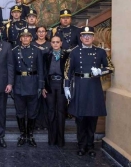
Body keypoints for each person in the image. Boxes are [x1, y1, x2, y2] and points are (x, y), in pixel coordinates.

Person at [64, 26, 114, 157]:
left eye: (89, 36)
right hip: (80, 85)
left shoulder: (100, 52)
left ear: (93, 38)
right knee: (80, 118)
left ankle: (90, 146)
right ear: (80, 38)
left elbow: (111, 67)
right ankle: (81, 145)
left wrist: (101, 71)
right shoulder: (74, 52)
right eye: (84, 36)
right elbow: (67, 70)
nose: (87, 38)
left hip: (93, 86)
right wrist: (67, 86)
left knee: (92, 118)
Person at [12, 29, 44, 147]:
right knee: (20, 112)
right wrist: (11, 84)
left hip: (32, 83)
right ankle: (22, 134)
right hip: (19, 84)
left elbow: (41, 69)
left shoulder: (36, 51)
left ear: (31, 38)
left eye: (28, 37)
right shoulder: (14, 51)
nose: (25, 39)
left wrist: (41, 85)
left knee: (32, 113)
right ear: (20, 38)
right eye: (23, 37)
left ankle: (30, 135)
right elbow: (11, 69)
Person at [42, 36, 69, 147]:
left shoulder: (67, 56)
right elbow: (43, 71)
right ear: (50, 44)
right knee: (51, 112)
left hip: (62, 85)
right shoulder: (46, 55)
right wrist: (43, 86)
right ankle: (52, 139)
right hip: (50, 85)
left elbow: (70, 72)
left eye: (57, 42)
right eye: (53, 42)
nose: (56, 44)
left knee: (61, 112)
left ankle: (61, 140)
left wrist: (69, 87)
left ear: (61, 43)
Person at [32, 25, 51, 131]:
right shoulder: (32, 44)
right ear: (36, 33)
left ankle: (46, 123)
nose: (41, 33)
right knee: (36, 101)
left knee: (46, 101)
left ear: (46, 33)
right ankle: (37, 123)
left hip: (48, 76)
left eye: (43, 31)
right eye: (39, 31)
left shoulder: (50, 45)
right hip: (35, 75)